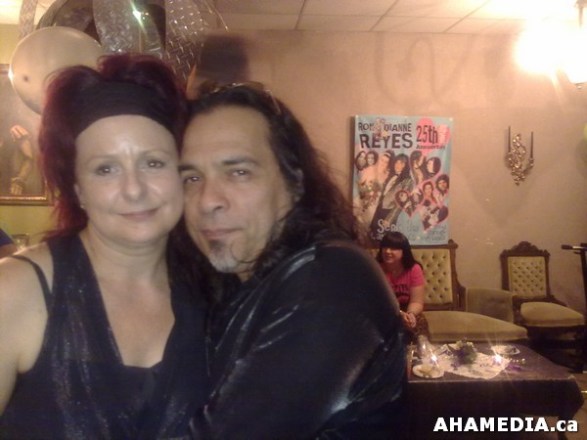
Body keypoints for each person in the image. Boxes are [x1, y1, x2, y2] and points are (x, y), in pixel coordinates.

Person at [178, 82, 406, 438]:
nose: (207, 200)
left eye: (238, 172)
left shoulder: (328, 282)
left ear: (294, 182)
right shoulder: (234, 283)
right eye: (192, 177)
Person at [0, 54, 207, 438]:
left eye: (153, 163)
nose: (134, 189)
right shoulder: (14, 291)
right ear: (78, 189)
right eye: (105, 169)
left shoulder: (214, 292)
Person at [376, 231, 425, 335]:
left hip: (408, 309)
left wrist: (410, 314)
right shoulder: (376, 268)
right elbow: (375, 301)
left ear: (404, 251)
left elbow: (417, 301)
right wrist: (399, 314)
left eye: (393, 248)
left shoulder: (414, 269)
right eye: (385, 247)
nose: (387, 251)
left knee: (416, 325)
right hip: (383, 312)